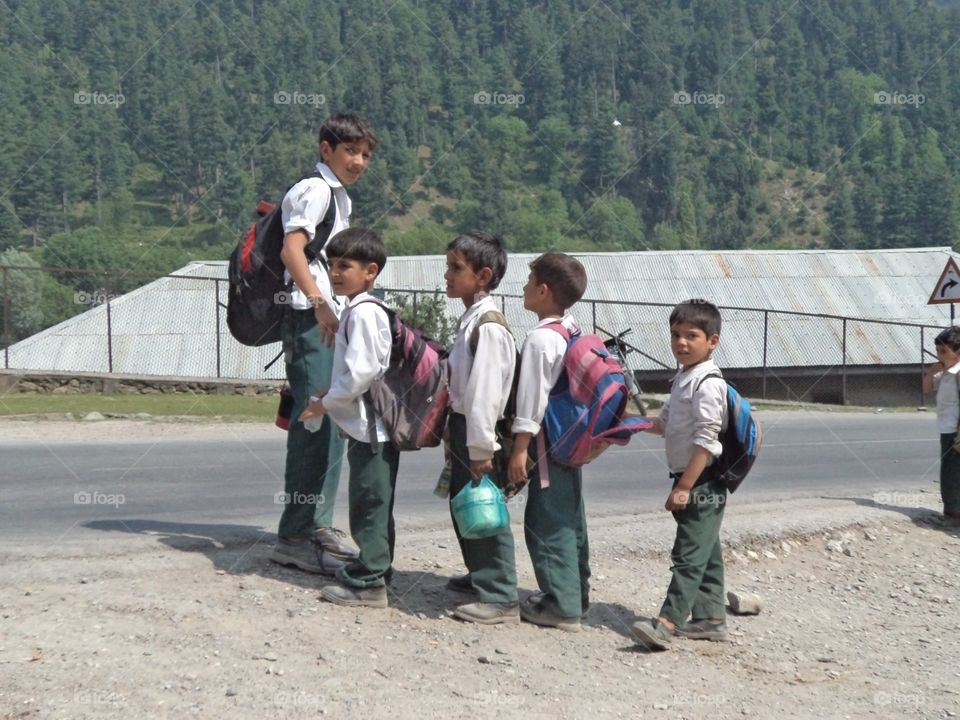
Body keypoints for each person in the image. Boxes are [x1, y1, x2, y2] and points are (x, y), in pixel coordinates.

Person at [269, 114, 377, 575]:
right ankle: (296, 533)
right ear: (326, 148)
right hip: (310, 318)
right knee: (314, 421)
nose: (358, 161)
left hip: (322, 318)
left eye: (366, 155)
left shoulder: (337, 195)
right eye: (350, 151)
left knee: (326, 416)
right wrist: (318, 303)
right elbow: (292, 250)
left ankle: (316, 524)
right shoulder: (314, 190)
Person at [298, 228, 396, 608]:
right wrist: (330, 393)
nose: (336, 274)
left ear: (370, 271)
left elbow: (362, 373)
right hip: (368, 426)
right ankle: (376, 568)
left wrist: (326, 403)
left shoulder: (365, 313)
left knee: (369, 504)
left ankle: (369, 584)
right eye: (332, 266)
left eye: (346, 266)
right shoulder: (355, 309)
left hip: (372, 429)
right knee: (374, 502)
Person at [631, 299, 730, 650]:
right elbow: (667, 424)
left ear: (712, 341)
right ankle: (711, 619)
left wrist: (685, 486)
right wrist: (636, 423)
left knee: (688, 554)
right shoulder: (684, 379)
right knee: (705, 551)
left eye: (692, 336)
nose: (681, 343)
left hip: (702, 483)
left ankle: (667, 622)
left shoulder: (707, 384)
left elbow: (706, 440)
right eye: (675, 335)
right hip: (690, 480)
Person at [507, 252, 591, 633]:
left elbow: (531, 401)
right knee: (570, 516)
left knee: (546, 521)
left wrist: (520, 449)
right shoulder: (572, 328)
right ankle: (576, 594)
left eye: (528, 283)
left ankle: (560, 606)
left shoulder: (541, 338)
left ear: (543, 291)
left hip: (546, 445)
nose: (523, 289)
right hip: (572, 439)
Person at [443, 232, 520, 625]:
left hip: (477, 431)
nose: (447, 275)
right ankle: (479, 574)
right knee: (464, 503)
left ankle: (501, 595)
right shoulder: (471, 319)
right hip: (462, 427)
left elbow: (486, 396)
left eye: (457, 268)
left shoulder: (488, 326)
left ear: (484, 275)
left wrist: (481, 451)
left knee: (485, 506)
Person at [921, 326, 960, 525]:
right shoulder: (946, 373)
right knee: (949, 470)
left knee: (952, 473)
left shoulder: (958, 372)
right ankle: (951, 512)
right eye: (938, 351)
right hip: (946, 428)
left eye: (944, 351)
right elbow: (926, 389)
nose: (940, 355)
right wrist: (931, 372)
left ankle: (954, 515)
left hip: (956, 431)